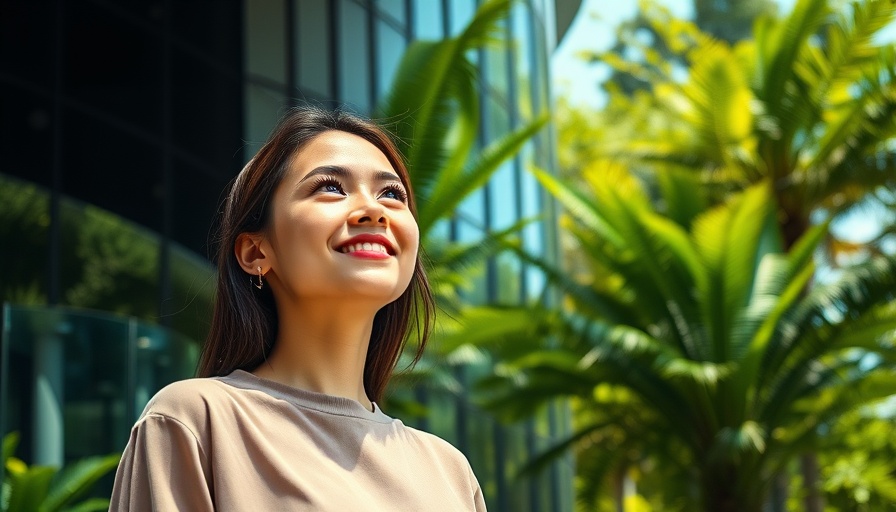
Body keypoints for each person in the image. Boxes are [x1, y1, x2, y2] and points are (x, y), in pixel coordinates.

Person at [109, 106, 487, 511]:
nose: (374, 210)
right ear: (256, 252)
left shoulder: (450, 474)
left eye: (392, 194)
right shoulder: (195, 421)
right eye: (331, 187)